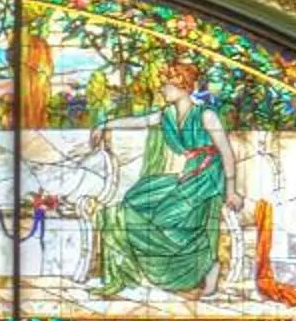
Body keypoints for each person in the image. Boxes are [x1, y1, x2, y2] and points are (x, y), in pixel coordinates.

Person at [88, 59, 239, 299]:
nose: (162, 89)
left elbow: (227, 153)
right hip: (188, 174)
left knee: (171, 216)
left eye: (167, 85)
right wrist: (105, 124)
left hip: (209, 177)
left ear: (183, 86)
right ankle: (189, 271)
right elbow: (140, 121)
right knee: (135, 200)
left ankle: (207, 268)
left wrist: (232, 191)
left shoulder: (206, 115)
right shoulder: (167, 114)